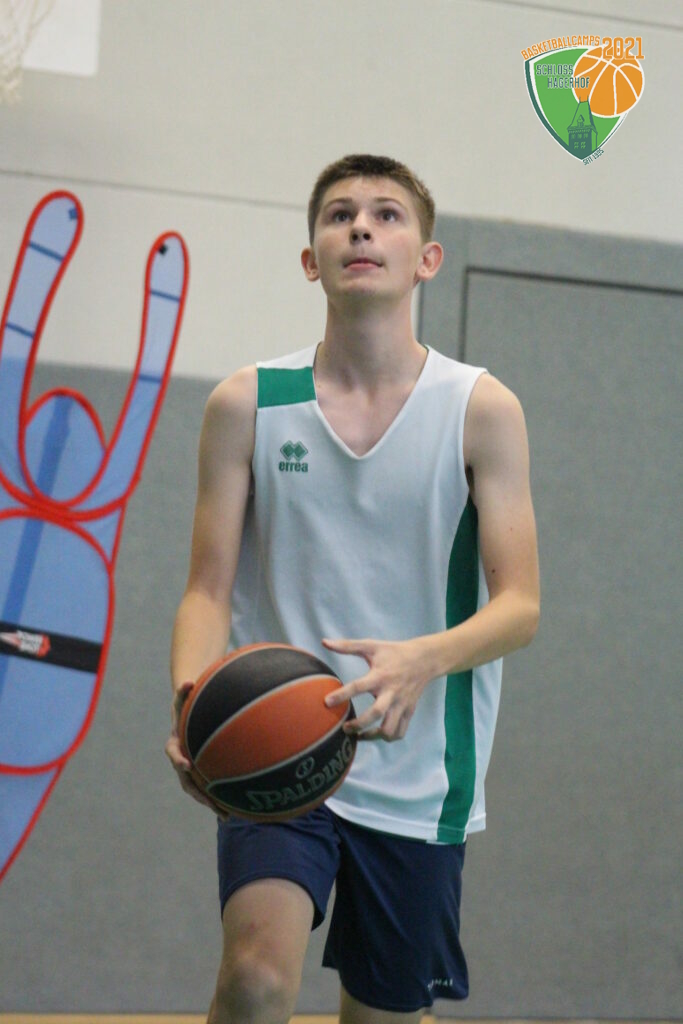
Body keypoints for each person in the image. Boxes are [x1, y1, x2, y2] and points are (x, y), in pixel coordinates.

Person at [165, 153, 540, 1023]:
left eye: (385, 214)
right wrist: (190, 700)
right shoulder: (248, 403)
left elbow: (519, 606)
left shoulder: (480, 409)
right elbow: (206, 590)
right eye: (338, 215)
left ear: (426, 258)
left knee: (382, 1015)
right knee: (255, 980)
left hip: (420, 772)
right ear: (312, 260)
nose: (360, 227)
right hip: (279, 746)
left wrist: (419, 661)